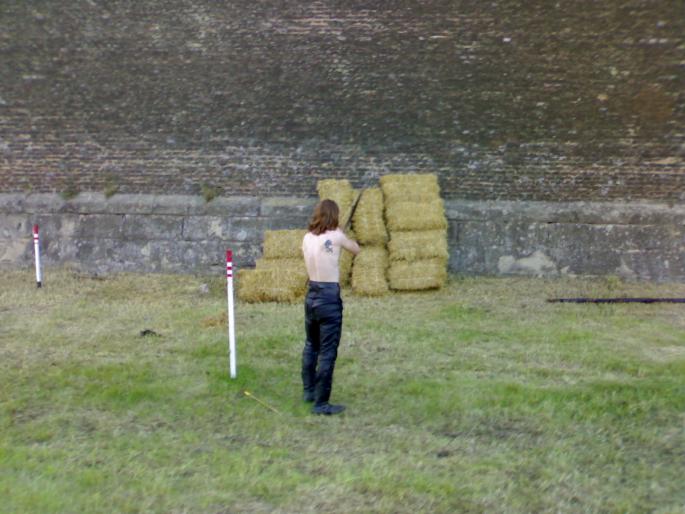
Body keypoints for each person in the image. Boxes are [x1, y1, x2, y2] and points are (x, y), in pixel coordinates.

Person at [301, 199, 360, 415]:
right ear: (334, 216)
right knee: (327, 351)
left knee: (311, 345)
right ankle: (321, 403)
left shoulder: (307, 238)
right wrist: (343, 236)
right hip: (329, 297)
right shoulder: (337, 236)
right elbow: (356, 250)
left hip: (312, 295)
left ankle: (308, 391)